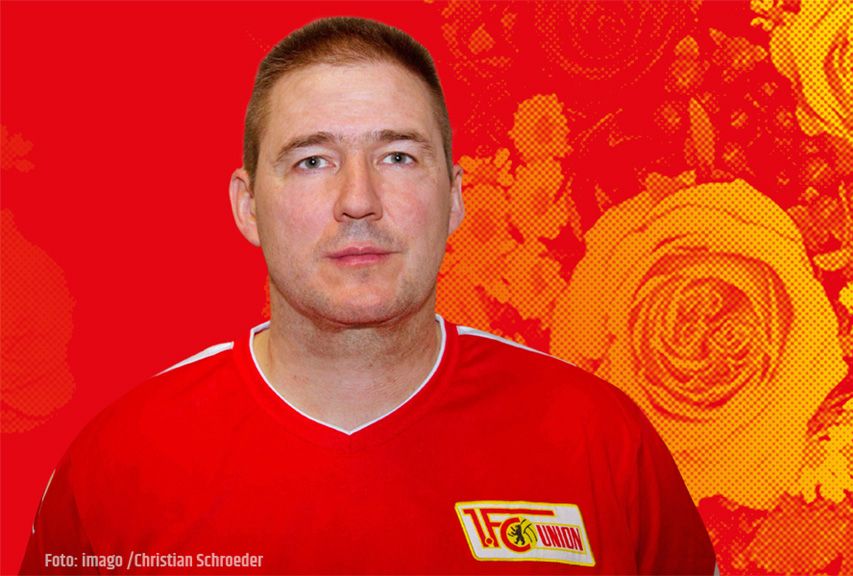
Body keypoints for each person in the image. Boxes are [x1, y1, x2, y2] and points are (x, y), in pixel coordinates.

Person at [20, 16, 716, 575]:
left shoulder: (602, 442)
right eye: (312, 161)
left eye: (398, 157)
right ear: (247, 205)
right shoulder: (117, 462)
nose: (358, 199)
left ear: (455, 198)